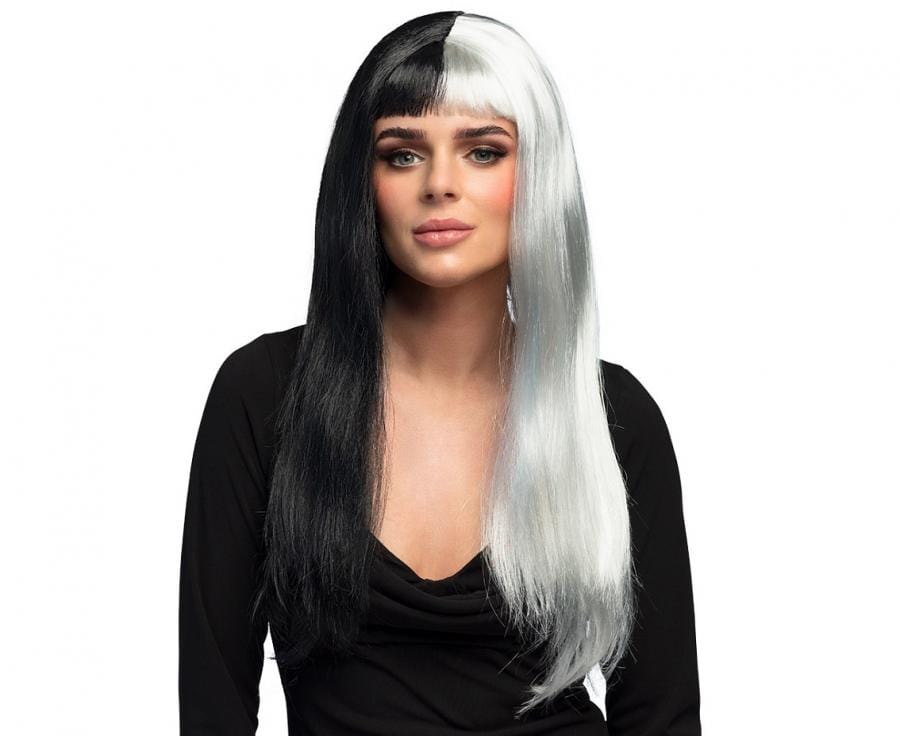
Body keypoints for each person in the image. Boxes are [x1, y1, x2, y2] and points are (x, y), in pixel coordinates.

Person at [178, 10, 701, 735]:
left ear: (539, 173)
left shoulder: (612, 416)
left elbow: (661, 715)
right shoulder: (262, 395)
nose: (440, 184)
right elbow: (214, 706)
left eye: (483, 151)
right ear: (362, 180)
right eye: (403, 154)